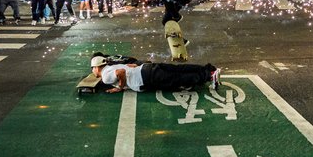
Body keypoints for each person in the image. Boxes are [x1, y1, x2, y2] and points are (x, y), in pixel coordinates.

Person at [90, 54, 220, 94]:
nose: (92, 71)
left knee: (177, 79)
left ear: (97, 67)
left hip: (145, 77)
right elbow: (131, 65)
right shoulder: (111, 65)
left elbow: (121, 72)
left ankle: (209, 76)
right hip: (146, 68)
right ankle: (208, 69)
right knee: (178, 69)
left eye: (93, 68)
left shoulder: (106, 77)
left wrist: (120, 87)